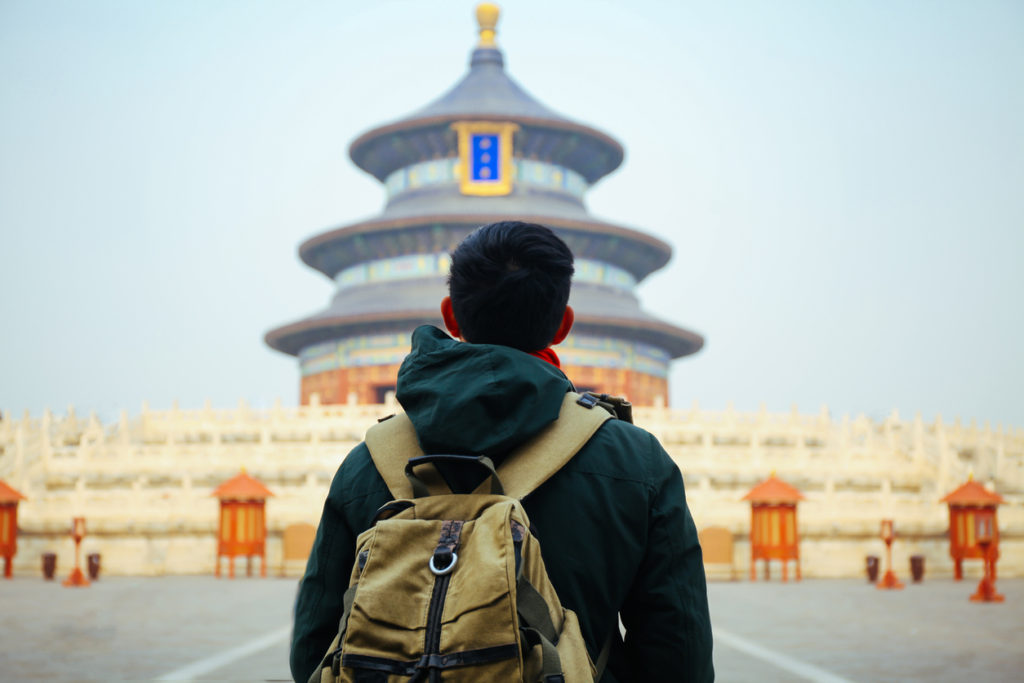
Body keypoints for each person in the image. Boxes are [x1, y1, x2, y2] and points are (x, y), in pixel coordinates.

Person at [290, 221, 714, 682]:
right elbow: (680, 655)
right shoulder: (636, 461)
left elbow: (315, 648)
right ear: (562, 324)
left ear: (451, 316)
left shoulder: (368, 463)